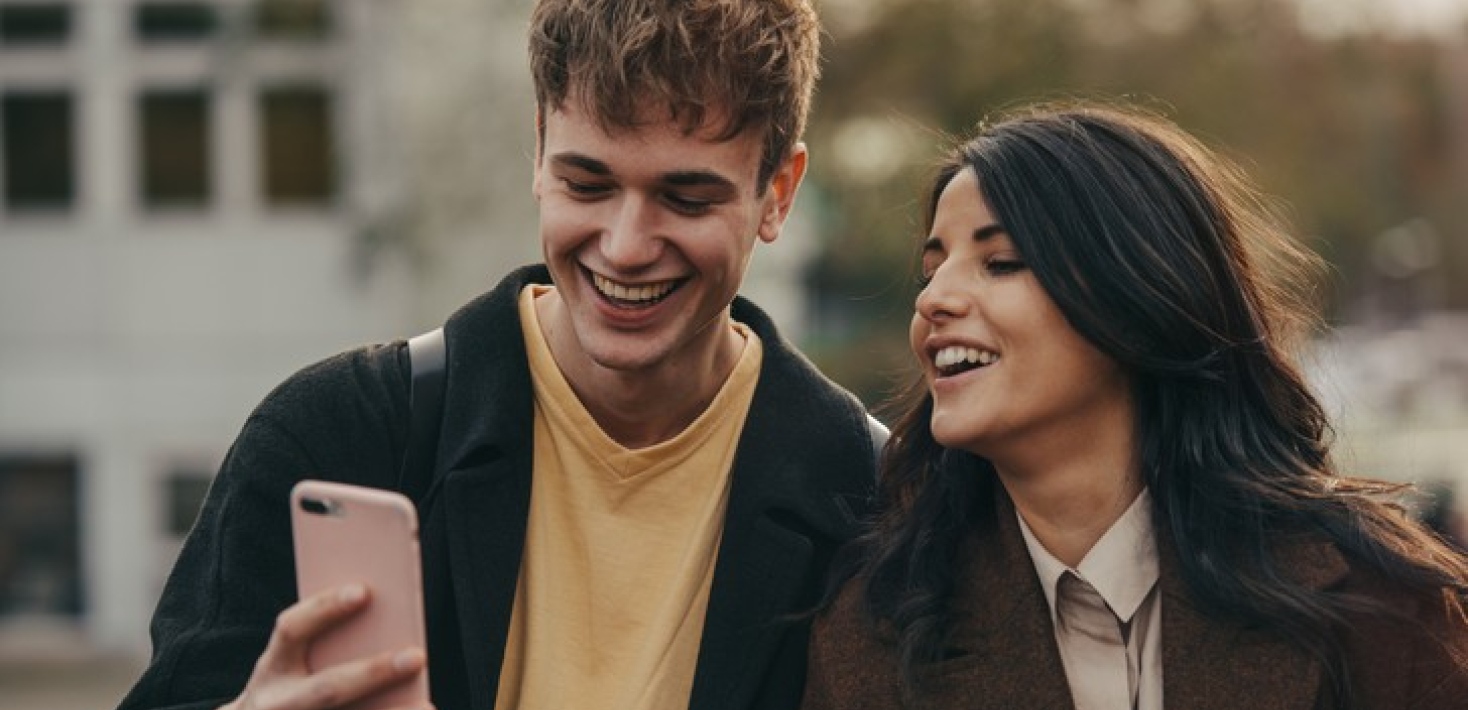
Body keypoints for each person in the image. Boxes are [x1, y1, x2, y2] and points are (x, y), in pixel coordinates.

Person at [117, 2, 885, 709]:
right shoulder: (330, 437)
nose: (624, 246)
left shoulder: (873, 496)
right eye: (586, 184)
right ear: (540, 151)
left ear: (778, 193)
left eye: (686, 200)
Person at [800, 102, 1468, 710]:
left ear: (1137, 297)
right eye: (931, 269)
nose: (933, 300)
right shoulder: (875, 632)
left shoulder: (1379, 602)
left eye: (999, 262)